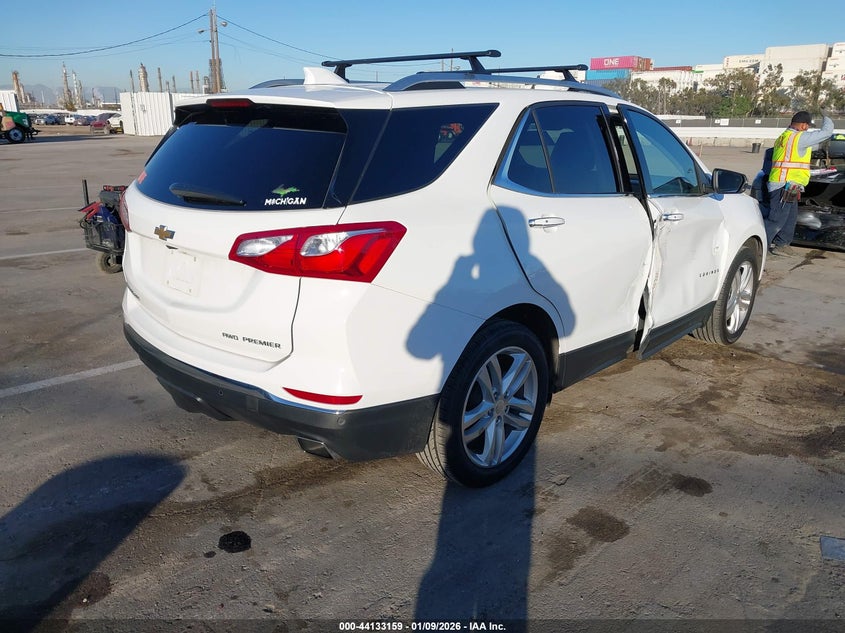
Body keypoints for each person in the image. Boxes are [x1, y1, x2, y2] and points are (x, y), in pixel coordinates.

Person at [765, 110, 834, 256]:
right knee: (776, 220)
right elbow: (826, 132)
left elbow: (808, 148)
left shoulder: (785, 137)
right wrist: (826, 117)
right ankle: (759, 246)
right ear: (803, 125)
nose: (808, 129)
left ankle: (782, 244)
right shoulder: (799, 138)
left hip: (789, 185)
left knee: (790, 218)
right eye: (807, 126)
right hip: (784, 185)